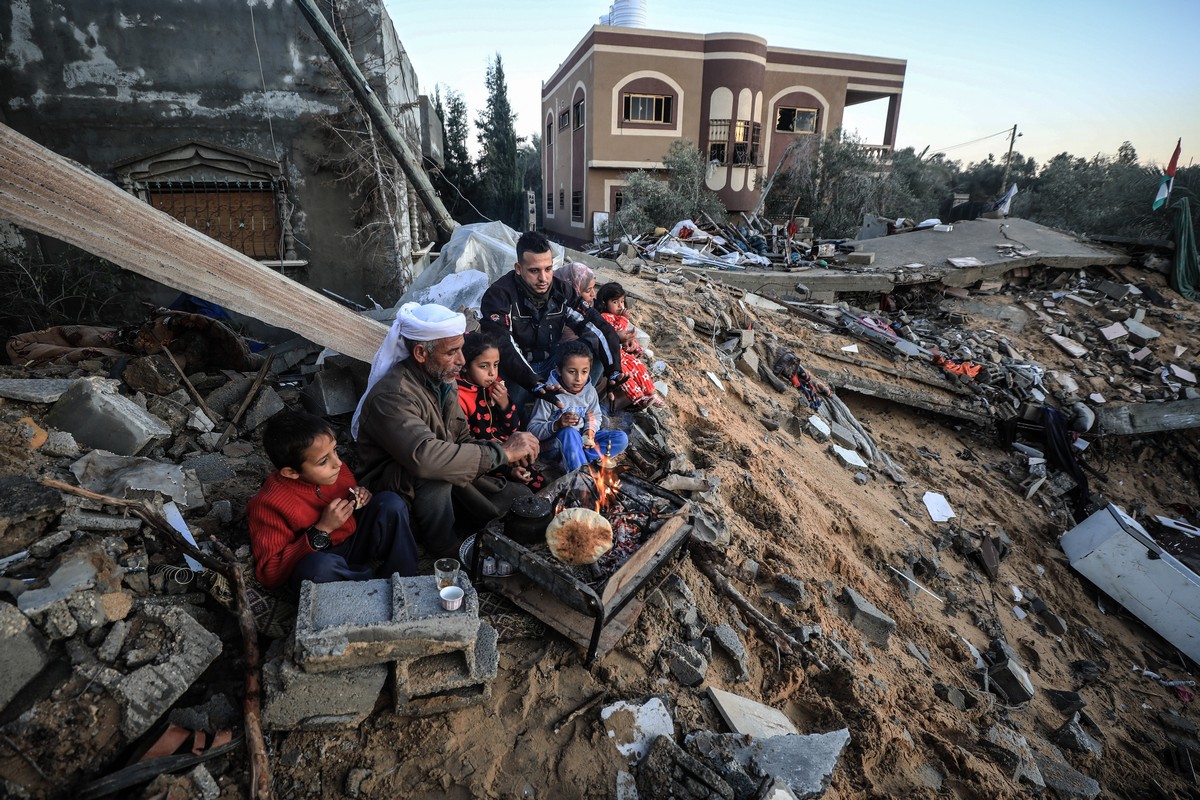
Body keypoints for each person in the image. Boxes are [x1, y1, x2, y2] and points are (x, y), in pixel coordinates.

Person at [351, 302, 540, 559]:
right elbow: (426, 459)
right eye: (452, 352)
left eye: (461, 350)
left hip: (438, 468)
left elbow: (462, 437)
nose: (461, 361)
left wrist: (506, 463)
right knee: (435, 472)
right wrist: (503, 452)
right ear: (420, 353)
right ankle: (444, 549)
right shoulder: (392, 396)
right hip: (395, 489)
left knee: (519, 497)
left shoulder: (444, 382)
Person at [248, 411, 418, 593]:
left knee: (390, 503)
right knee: (318, 568)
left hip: (352, 544)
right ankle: (369, 589)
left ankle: (404, 582)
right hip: (321, 560)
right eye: (323, 461)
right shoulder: (268, 505)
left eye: (335, 450)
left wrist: (359, 499)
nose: (338, 463)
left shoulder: (335, 470)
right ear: (291, 473)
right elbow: (269, 574)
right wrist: (322, 530)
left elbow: (352, 503)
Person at [480, 231, 622, 412]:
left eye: (548, 269)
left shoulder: (561, 290)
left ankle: (575, 407)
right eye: (534, 271)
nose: (544, 278)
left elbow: (598, 327)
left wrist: (614, 370)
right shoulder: (499, 295)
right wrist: (535, 383)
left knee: (598, 351)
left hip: (551, 362)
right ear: (518, 268)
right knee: (514, 413)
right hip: (518, 370)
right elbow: (503, 344)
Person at [456, 330, 546, 491]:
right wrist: (508, 469)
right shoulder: (460, 397)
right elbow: (468, 444)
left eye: (496, 365)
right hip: (483, 460)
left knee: (537, 482)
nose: (492, 372)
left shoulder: (496, 386)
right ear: (465, 366)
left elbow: (512, 428)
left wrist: (504, 404)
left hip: (507, 448)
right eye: (483, 366)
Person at [528, 341, 629, 472]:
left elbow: (594, 416)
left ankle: (579, 459)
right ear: (559, 370)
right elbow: (532, 430)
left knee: (620, 438)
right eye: (572, 372)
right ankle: (581, 474)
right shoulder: (549, 395)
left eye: (584, 372)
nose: (579, 379)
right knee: (569, 432)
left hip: (581, 441)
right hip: (554, 446)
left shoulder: (589, 391)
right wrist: (557, 425)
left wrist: (590, 432)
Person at [595, 282, 663, 409]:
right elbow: (617, 332)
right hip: (613, 356)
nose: (620, 305)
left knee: (639, 367)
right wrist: (625, 319)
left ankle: (651, 393)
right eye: (615, 302)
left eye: (622, 301)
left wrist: (634, 344)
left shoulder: (616, 316)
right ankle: (638, 398)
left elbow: (626, 336)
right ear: (604, 303)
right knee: (625, 375)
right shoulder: (604, 317)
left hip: (622, 353)